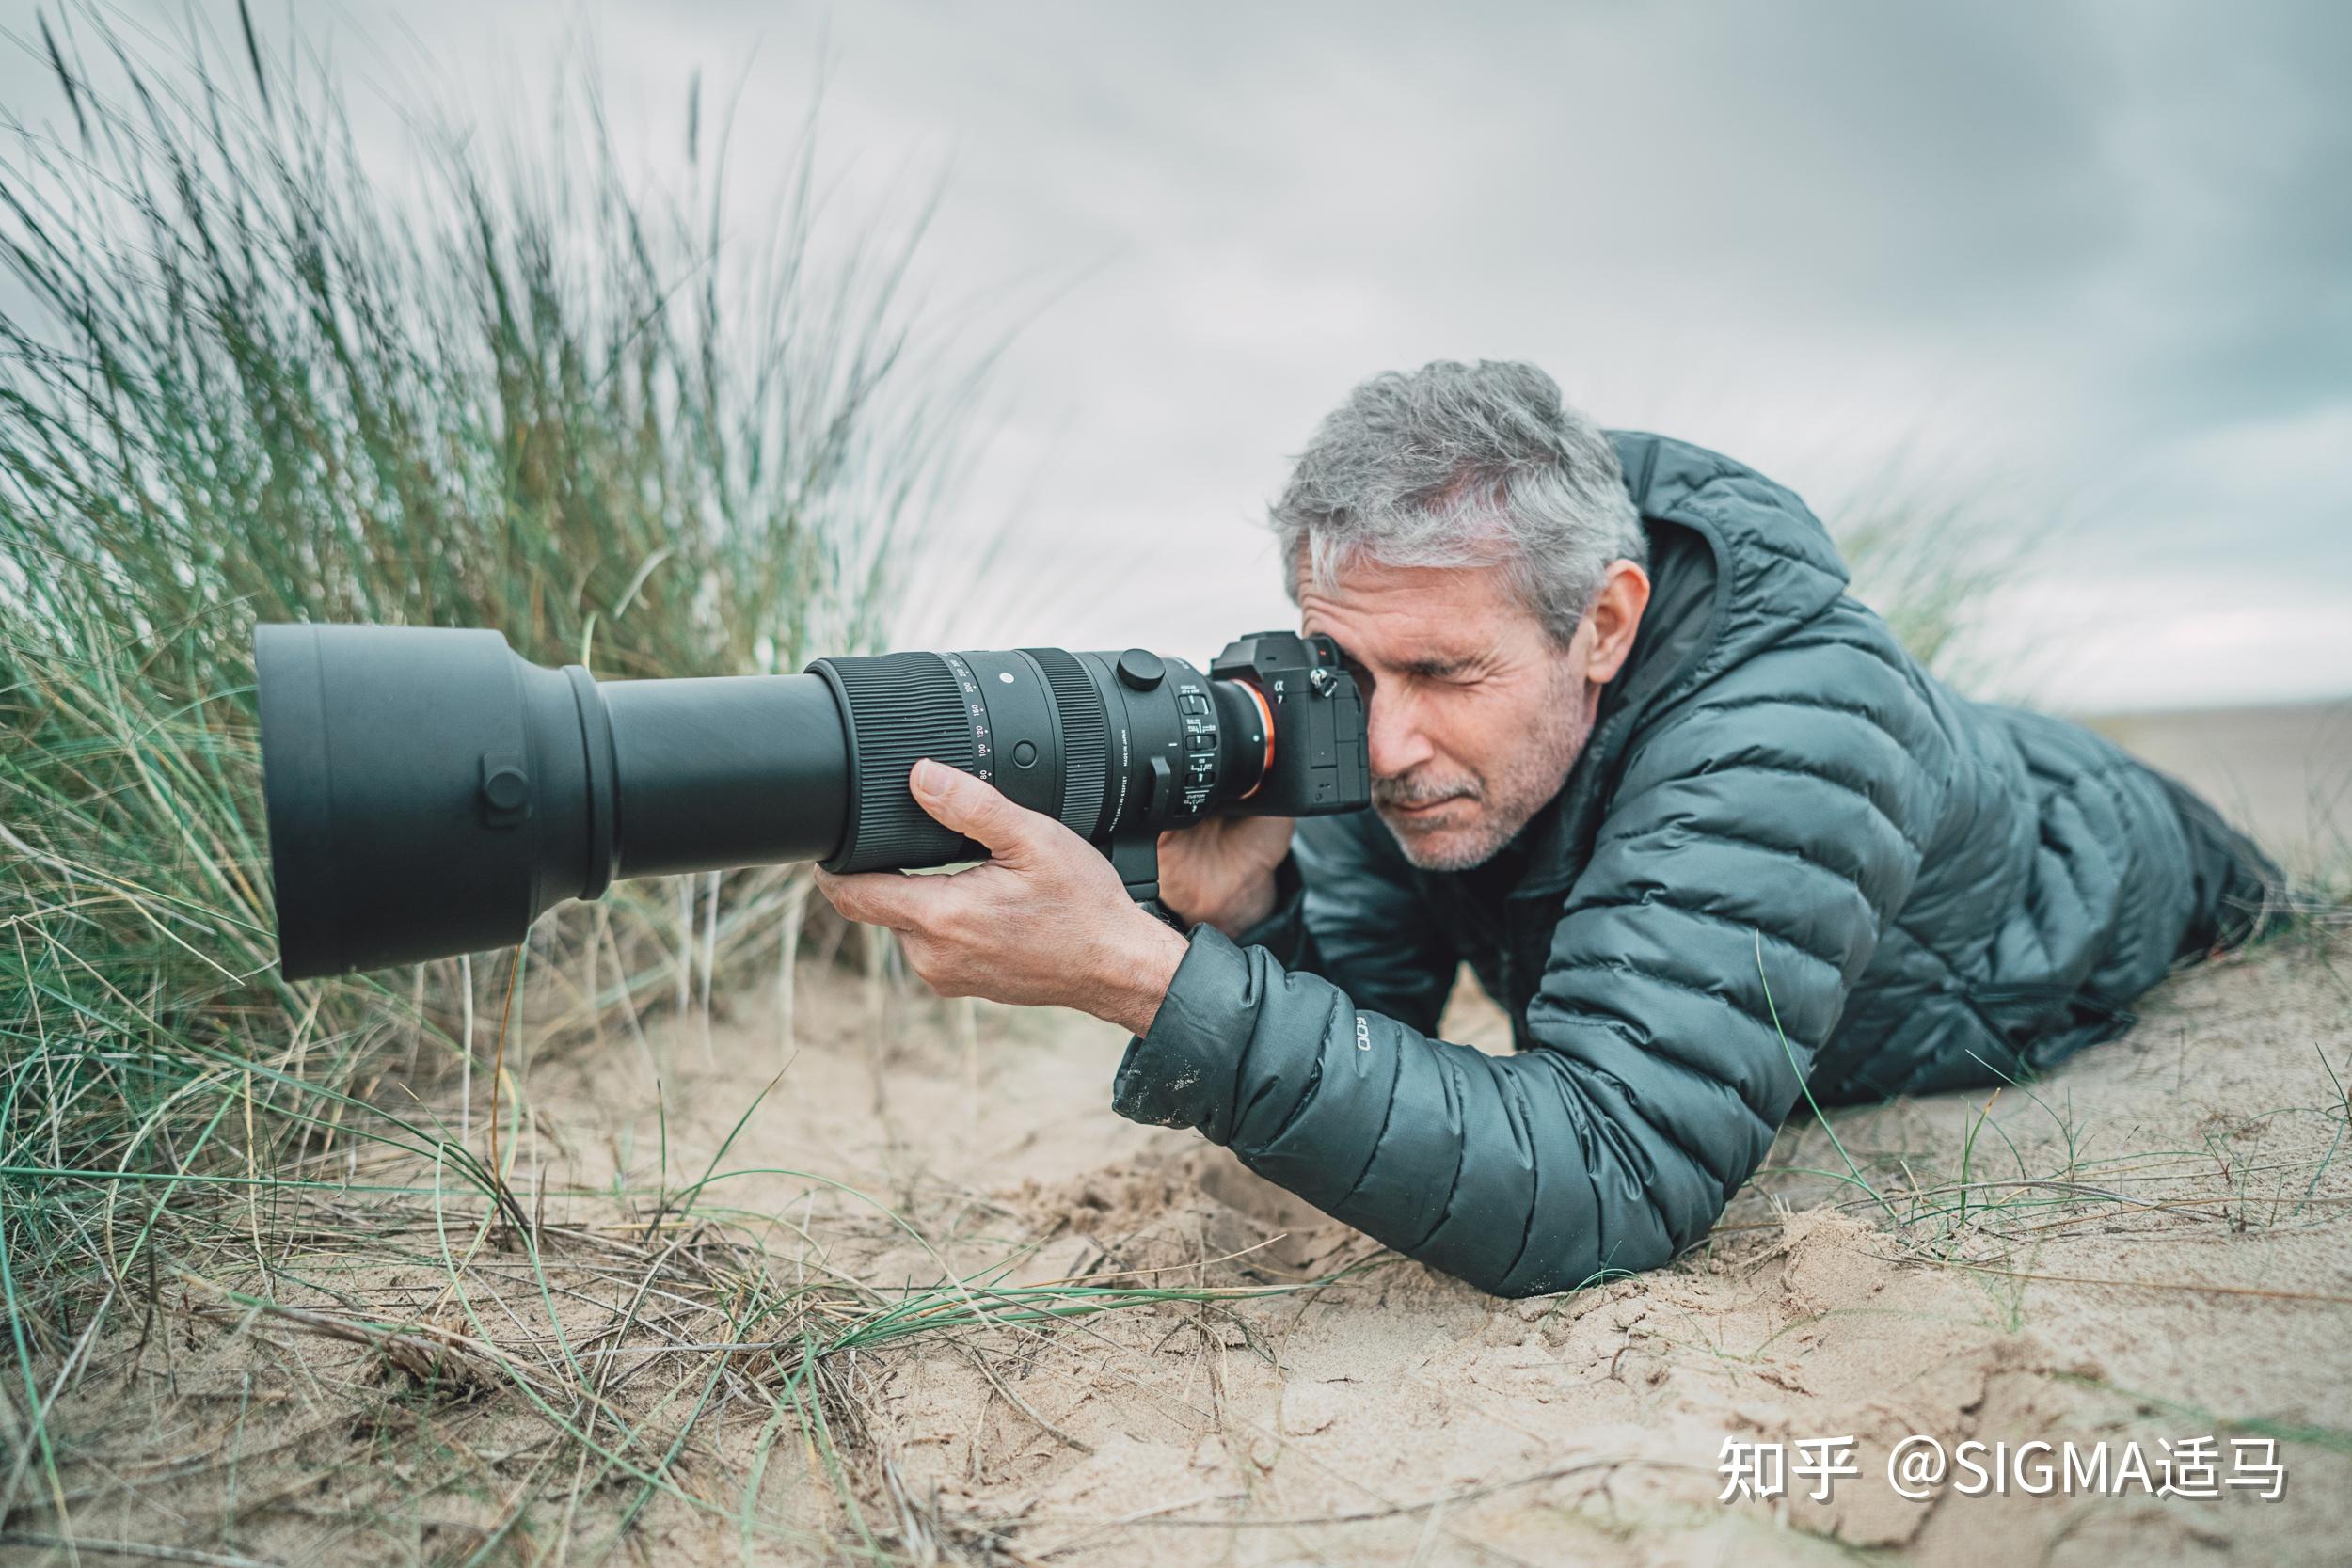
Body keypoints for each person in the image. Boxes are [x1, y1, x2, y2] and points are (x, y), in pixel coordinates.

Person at [814, 359, 2282, 1297]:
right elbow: (1375, 1019)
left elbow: (1609, 1179)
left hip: (2123, 866)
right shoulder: (1412, 721)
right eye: (1353, 666)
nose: (1382, 744)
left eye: (1445, 675)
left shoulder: (1792, 725)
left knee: (2272, 902)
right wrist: (1235, 917)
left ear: (1604, 623)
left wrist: (1134, 975)